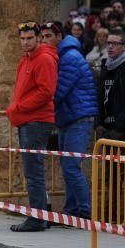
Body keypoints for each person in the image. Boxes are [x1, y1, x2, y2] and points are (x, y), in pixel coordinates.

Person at [41, 21, 97, 221]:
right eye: (43, 37)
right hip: (69, 117)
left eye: (48, 36)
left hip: (78, 117)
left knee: (71, 167)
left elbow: (58, 91)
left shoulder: (69, 57)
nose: (45, 40)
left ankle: (86, 213)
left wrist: (38, 105)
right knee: (68, 167)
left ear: (59, 37)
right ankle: (72, 211)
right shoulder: (61, 56)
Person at [6, 22, 58, 232]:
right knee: (33, 170)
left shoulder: (44, 59)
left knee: (33, 171)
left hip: (35, 120)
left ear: (38, 38)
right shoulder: (26, 59)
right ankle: (39, 215)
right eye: (22, 38)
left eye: (29, 38)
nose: (25, 42)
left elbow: (46, 92)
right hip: (28, 119)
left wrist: (18, 107)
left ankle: (37, 218)